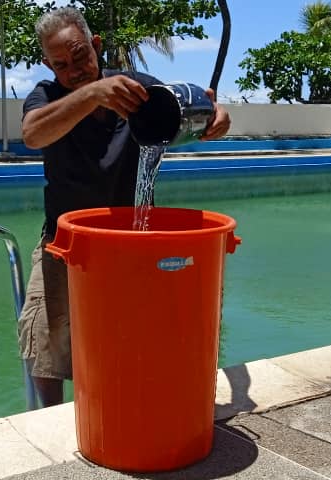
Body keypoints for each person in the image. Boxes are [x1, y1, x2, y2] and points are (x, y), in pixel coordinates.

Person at [18, 6, 231, 407]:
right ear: (48, 65)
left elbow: (190, 111)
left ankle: (127, 411)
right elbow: (32, 134)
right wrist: (92, 94)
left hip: (134, 244)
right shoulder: (46, 96)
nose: (74, 69)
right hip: (63, 245)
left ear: (96, 45)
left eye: (80, 55)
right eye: (61, 64)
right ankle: (51, 423)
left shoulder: (137, 88)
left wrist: (217, 115)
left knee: (138, 337)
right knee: (47, 338)